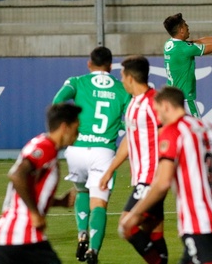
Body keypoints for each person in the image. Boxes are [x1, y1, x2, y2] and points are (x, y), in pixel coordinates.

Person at [119, 86, 212, 264]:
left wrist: (133, 214)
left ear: (167, 106)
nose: (158, 118)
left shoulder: (173, 132)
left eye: (158, 111)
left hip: (196, 221)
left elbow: (162, 183)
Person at [52, 46, 130, 264]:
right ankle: (93, 250)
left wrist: (72, 123)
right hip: (103, 151)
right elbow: (131, 119)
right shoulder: (122, 88)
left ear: (89, 63)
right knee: (100, 203)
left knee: (81, 191)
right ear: (111, 65)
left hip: (76, 149)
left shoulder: (76, 82)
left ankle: (81, 233)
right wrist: (118, 123)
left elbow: (57, 102)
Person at [0, 103, 81, 264]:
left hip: (6, 238)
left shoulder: (42, 144)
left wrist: (59, 202)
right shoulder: (46, 148)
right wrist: (35, 213)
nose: (77, 134)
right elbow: (17, 175)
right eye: (75, 128)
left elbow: (30, 188)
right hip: (22, 238)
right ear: (65, 127)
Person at [99, 56, 168, 264]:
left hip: (152, 177)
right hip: (141, 177)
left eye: (122, 76)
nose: (120, 80)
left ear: (130, 78)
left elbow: (169, 131)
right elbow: (129, 140)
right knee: (152, 229)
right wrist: (110, 169)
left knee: (126, 226)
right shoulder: (133, 105)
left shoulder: (153, 103)